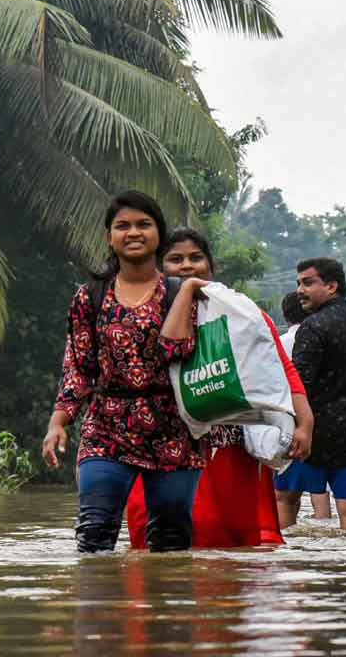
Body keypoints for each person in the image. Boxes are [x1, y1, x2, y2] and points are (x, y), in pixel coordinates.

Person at [124, 228, 314, 548]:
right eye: (176, 259)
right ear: (158, 268)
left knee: (226, 546)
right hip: (158, 447)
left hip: (226, 450)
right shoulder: (138, 316)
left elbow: (280, 369)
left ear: (210, 267)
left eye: (196, 258)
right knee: (155, 541)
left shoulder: (242, 314)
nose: (187, 266)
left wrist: (305, 423)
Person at [42, 190, 209, 552]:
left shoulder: (185, 293)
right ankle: (99, 607)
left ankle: (164, 608)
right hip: (106, 427)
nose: (133, 232)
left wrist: (186, 293)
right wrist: (58, 422)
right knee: (94, 535)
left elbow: (177, 351)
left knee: (171, 541)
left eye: (143, 225)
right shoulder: (90, 296)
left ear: (158, 235)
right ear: (109, 237)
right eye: (123, 226)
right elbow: (78, 366)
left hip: (174, 429)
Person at [275, 258, 346, 530]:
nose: (300, 290)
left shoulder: (312, 327)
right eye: (298, 283)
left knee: (286, 500)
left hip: (310, 432)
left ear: (332, 286)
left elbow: (300, 384)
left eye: (308, 283)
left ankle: (288, 567)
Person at [278, 290, 332, 520]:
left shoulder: (280, 342)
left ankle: (289, 541)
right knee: (320, 488)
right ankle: (323, 527)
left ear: (285, 315)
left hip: (290, 421)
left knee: (285, 494)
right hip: (324, 419)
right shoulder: (324, 334)